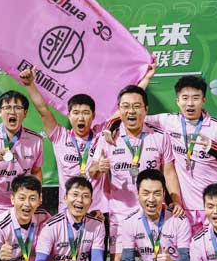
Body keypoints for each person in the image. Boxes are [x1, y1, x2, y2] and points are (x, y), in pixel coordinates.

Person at [19, 65, 155, 216]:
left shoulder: (101, 134)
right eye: (76, 113)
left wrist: (146, 79)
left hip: (98, 211)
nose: (81, 117)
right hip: (68, 210)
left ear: (93, 116)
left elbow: (125, 107)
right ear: (69, 115)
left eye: (85, 113)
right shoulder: (59, 136)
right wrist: (29, 85)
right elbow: (43, 110)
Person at [90, 86, 183, 261]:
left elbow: (169, 172)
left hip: (153, 210)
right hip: (120, 212)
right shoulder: (108, 138)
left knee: (161, 260)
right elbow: (91, 172)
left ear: (146, 109)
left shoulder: (160, 137)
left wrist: (176, 201)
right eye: (126, 106)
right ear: (119, 109)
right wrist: (98, 167)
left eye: (136, 106)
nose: (131, 111)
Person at [142, 76, 217, 236]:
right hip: (183, 209)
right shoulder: (168, 121)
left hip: (213, 206)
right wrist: (108, 129)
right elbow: (132, 115)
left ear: (204, 100)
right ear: (177, 101)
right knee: (186, 251)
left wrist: (214, 149)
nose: (190, 103)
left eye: (196, 98)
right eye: (185, 98)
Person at [0, 90, 43, 258]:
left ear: (25, 113)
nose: (12, 112)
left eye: (17, 108)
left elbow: (36, 171)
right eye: (7, 107)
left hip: (22, 207)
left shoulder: (36, 140)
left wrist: (35, 199)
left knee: (21, 253)